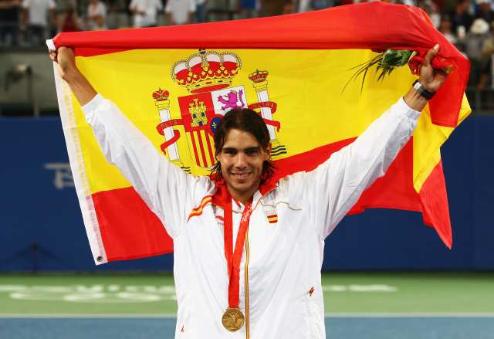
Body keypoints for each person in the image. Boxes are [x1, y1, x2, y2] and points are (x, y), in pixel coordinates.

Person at [50, 44, 446, 338]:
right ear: (217, 155)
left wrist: (419, 95)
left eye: (250, 152)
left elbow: (367, 156)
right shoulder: (185, 200)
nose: (240, 162)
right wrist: (74, 78)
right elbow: (125, 146)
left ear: (265, 152)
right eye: (231, 152)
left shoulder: (305, 199)